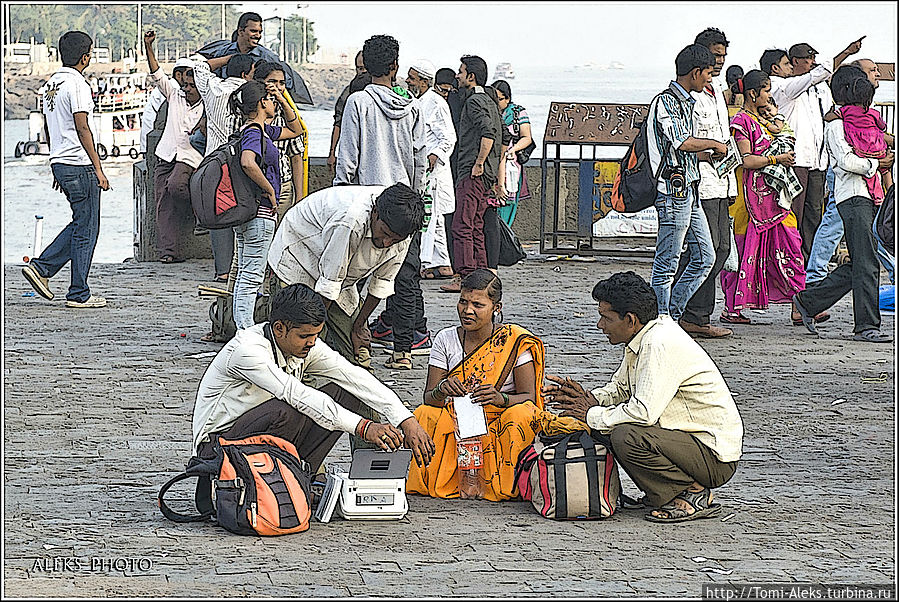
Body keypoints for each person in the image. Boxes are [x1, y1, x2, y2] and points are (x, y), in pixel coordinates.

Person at [544, 271, 744, 523]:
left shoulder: (657, 343)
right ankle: (667, 490)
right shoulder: (642, 337)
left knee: (624, 434)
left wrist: (591, 413)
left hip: (713, 457)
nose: (600, 325)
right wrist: (585, 399)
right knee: (602, 424)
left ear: (629, 319)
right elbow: (619, 389)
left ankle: (691, 493)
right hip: (684, 443)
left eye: (605, 318)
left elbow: (643, 412)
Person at [191, 283, 436, 482]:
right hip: (217, 448)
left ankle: (301, 473)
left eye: (316, 335)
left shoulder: (307, 345)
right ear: (279, 328)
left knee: (345, 392)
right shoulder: (247, 350)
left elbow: (354, 376)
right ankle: (273, 476)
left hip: (263, 438)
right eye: (304, 336)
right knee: (288, 407)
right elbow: (296, 395)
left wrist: (405, 419)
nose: (312, 342)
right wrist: (364, 428)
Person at [407, 269, 585, 501]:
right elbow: (429, 398)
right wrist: (442, 390)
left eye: (478, 305)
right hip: (457, 422)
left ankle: (503, 482)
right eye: (463, 302)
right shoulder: (446, 339)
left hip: (498, 423)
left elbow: (529, 397)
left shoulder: (514, 341)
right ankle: (441, 480)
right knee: (424, 414)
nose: (467, 311)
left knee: (521, 413)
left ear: (496, 308)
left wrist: (501, 399)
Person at [335, 35, 430, 371]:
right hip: (405, 202)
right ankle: (403, 349)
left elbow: (347, 156)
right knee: (404, 276)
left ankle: (354, 344)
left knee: (353, 276)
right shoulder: (412, 108)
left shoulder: (357, 103)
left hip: (368, 201)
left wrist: (340, 192)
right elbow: (419, 159)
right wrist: (417, 198)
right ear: (395, 67)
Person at [267, 183, 425, 369]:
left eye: (394, 240)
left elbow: (382, 283)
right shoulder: (351, 220)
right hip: (298, 256)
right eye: (384, 233)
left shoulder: (403, 232)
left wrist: (359, 326)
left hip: (340, 276)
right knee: (297, 342)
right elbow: (329, 285)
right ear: (375, 213)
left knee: (354, 354)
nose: (386, 243)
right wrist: (315, 333)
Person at [793, 66, 895, 343]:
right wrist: (877, 164)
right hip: (852, 197)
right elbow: (848, 162)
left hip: (867, 196)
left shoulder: (864, 123)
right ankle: (866, 326)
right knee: (867, 263)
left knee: (863, 262)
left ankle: (808, 301)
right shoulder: (836, 126)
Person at [22, 30, 110, 309]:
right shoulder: (78, 85)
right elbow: (82, 126)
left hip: (60, 160)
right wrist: (99, 168)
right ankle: (76, 290)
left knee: (80, 222)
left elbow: (50, 128)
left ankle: (43, 268)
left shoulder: (51, 85)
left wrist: (55, 162)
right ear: (85, 57)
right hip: (79, 163)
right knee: (87, 227)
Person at [646, 44, 728, 321]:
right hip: (672, 192)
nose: (710, 79)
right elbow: (681, 141)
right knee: (667, 262)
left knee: (706, 257)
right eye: (707, 73)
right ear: (695, 73)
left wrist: (706, 155)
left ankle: (672, 313)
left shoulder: (687, 103)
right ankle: (659, 319)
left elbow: (682, 150)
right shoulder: (666, 102)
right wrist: (714, 143)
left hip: (689, 189)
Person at [718, 69, 807, 324]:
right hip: (749, 201)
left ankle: (800, 305)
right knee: (745, 248)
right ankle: (732, 308)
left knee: (791, 245)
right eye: (767, 91)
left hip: (776, 198)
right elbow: (746, 160)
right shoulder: (742, 122)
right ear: (753, 93)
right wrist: (776, 159)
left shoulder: (766, 120)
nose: (769, 96)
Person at [762, 38, 863, 261]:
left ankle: (807, 260)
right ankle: (789, 259)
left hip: (816, 159)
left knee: (814, 213)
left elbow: (826, 112)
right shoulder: (780, 85)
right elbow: (816, 75)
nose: (812, 63)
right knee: (793, 213)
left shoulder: (816, 90)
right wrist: (845, 52)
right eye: (807, 59)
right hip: (795, 159)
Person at [808, 60, 895, 287]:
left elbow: (875, 134)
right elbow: (847, 160)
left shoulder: (866, 112)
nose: (876, 75)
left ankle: (812, 291)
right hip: (853, 185)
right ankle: (814, 281)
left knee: (872, 237)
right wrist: (876, 162)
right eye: (871, 72)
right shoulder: (839, 120)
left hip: (868, 182)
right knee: (840, 229)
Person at [675, 28, 738, 339]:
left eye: (723, 57)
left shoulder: (716, 93)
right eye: (715, 56)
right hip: (700, 180)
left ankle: (693, 311)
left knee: (720, 249)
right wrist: (708, 151)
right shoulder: (687, 97)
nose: (720, 62)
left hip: (721, 180)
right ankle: (690, 314)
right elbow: (681, 140)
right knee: (704, 250)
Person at [228, 80, 303, 331]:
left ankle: (242, 327)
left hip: (250, 212)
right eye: (270, 99)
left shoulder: (260, 130)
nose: (273, 103)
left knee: (245, 273)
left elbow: (296, 130)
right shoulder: (253, 133)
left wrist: (281, 99)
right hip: (259, 212)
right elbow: (248, 161)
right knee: (251, 276)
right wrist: (270, 190)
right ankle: (245, 330)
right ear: (262, 103)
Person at [190, 52, 257, 283]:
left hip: (214, 163)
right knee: (244, 213)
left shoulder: (213, 88)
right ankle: (243, 268)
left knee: (219, 214)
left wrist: (227, 59)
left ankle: (223, 270)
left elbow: (197, 64)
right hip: (240, 161)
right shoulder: (249, 93)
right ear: (245, 73)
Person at [442, 55, 504, 294]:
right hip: (486, 173)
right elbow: (500, 137)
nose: (457, 76)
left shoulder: (475, 101)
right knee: (476, 224)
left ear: (471, 76)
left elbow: (488, 133)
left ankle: (465, 275)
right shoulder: (489, 100)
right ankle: (480, 274)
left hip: (473, 171)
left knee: (462, 225)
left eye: (461, 71)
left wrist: (478, 162)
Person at [144, 32, 204, 264]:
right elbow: (156, 73)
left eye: (192, 86)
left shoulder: (207, 107)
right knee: (163, 203)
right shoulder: (175, 95)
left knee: (176, 185)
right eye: (185, 84)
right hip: (166, 154)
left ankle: (199, 212)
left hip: (189, 157)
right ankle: (169, 251)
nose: (187, 88)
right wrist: (149, 46)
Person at [195, 11, 312, 105]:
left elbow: (286, 83)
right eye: (253, 31)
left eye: (260, 32)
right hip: (225, 107)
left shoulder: (268, 57)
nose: (258, 36)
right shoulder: (223, 53)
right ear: (241, 31)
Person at [411, 61, 457, 281]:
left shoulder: (436, 103)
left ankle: (426, 263)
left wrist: (434, 155)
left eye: (412, 78)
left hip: (433, 170)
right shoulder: (418, 101)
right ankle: (443, 263)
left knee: (429, 217)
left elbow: (448, 137)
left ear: (424, 81)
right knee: (434, 218)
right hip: (423, 169)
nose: (408, 82)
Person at [492, 79, 533, 227]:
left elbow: (527, 137)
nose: (497, 103)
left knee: (507, 202)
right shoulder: (490, 111)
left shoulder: (517, 113)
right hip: (493, 163)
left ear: (507, 98)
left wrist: (512, 150)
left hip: (510, 164)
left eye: (500, 99)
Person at [327, 50, 365, 174]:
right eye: (360, 68)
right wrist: (332, 153)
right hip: (352, 156)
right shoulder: (349, 93)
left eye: (365, 69)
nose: (363, 72)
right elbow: (338, 122)